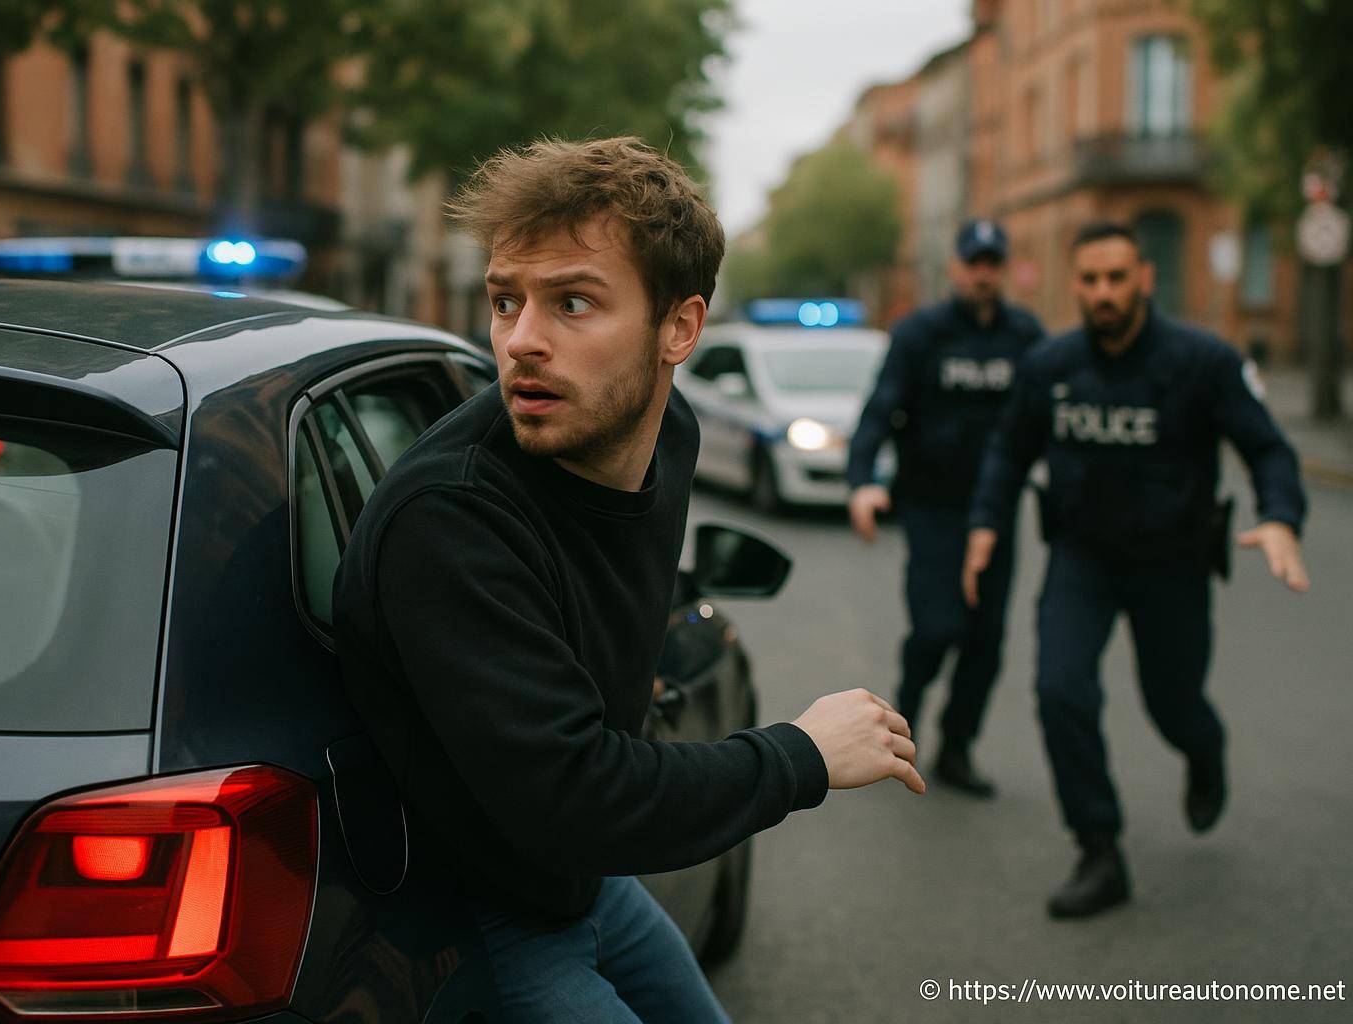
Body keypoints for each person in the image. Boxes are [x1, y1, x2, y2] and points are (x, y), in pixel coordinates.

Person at [332, 137, 925, 1024]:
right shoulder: (450, 522)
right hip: (482, 900)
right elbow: (573, 797)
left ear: (678, 330)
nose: (521, 341)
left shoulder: (667, 435)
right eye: (505, 301)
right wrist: (799, 755)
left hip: (580, 877)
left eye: (572, 301)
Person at [963, 220, 1310, 919]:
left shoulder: (1204, 362)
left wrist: (1280, 517)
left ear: (1144, 278)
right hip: (1081, 557)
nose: (1103, 293)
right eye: (1089, 280)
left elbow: (1268, 450)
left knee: (1171, 702)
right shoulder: (1051, 366)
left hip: (1172, 564)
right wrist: (984, 525)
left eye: (1117, 278)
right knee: (1061, 689)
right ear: (1076, 284)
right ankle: (1098, 848)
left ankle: (1202, 748)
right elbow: (1009, 451)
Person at [847, 219, 1045, 797]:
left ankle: (958, 746)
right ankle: (903, 721)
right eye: (973, 263)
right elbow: (879, 410)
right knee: (937, 628)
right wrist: (862, 480)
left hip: (998, 514)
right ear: (957, 268)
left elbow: (1048, 417)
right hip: (932, 508)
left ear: (1002, 269)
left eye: (992, 263)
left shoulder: (1026, 335)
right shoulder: (920, 334)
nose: (983, 273)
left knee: (986, 642)